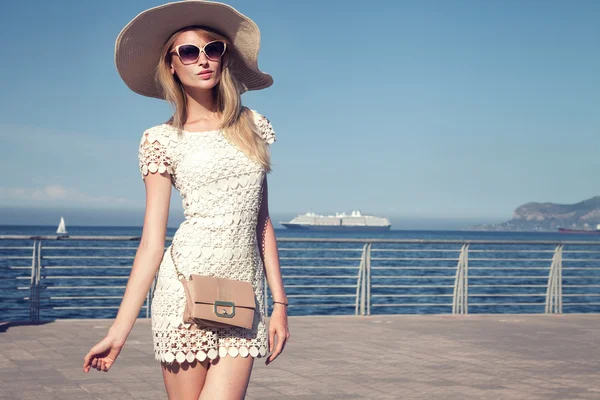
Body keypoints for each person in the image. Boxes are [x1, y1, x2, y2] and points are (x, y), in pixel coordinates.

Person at [82, 1, 290, 398]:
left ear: (224, 57)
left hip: (242, 297)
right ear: (172, 65)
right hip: (183, 294)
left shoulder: (252, 126)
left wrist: (279, 303)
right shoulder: (160, 140)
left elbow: (261, 222)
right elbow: (150, 244)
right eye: (190, 52)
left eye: (213, 49)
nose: (204, 60)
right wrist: (118, 333)